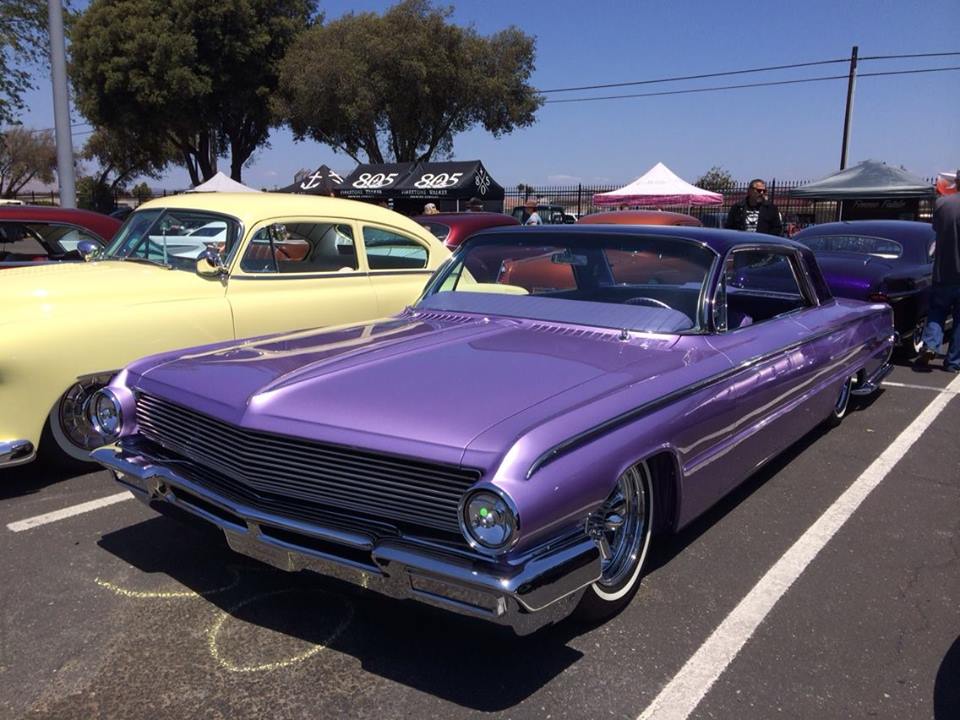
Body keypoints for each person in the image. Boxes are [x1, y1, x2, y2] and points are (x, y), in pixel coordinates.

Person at [916, 170, 960, 372]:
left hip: (943, 270)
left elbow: (936, 231)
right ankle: (953, 362)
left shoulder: (942, 204)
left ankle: (931, 345)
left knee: (937, 311)